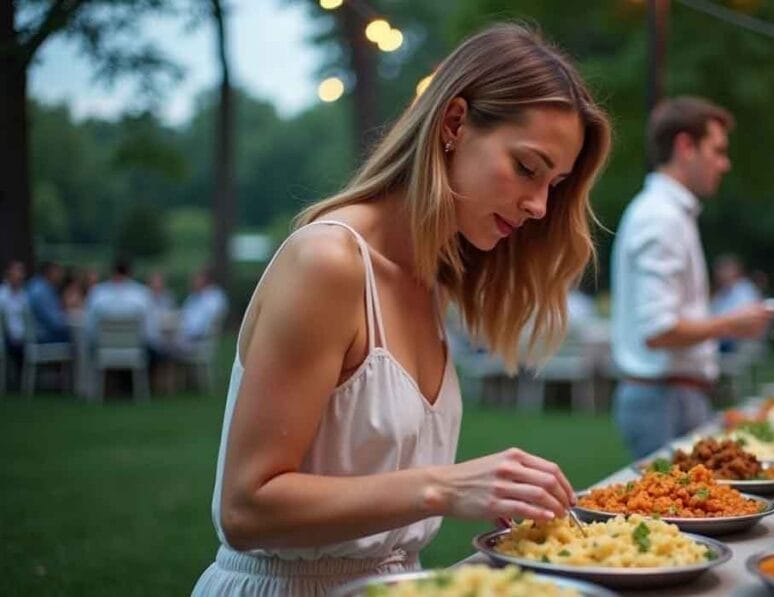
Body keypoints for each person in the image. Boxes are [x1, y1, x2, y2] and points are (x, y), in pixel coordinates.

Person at [192, 24, 611, 595]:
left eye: (554, 184)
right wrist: (443, 487)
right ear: (454, 124)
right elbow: (246, 508)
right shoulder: (328, 262)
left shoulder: (430, 276)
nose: (539, 206)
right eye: (527, 168)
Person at [609, 96, 774, 460]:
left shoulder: (668, 213)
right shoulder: (661, 217)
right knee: (673, 512)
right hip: (663, 398)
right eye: (717, 151)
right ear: (685, 146)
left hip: (668, 395)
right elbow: (659, 329)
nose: (724, 163)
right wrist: (733, 323)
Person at [83, 259, 152, 342]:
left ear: (111, 272)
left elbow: (89, 327)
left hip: (103, 347)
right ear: (131, 273)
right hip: (134, 347)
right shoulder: (142, 294)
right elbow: (149, 330)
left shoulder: (97, 293)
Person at [710, 253, 763, 353]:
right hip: (720, 336)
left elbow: (748, 318)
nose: (721, 273)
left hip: (736, 340)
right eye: (719, 270)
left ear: (736, 270)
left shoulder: (745, 290)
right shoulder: (720, 294)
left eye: (725, 269)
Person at [175, 268, 227, 351]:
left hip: (198, 339)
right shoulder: (193, 297)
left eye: (197, 279)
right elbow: (183, 315)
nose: (193, 282)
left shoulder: (214, 297)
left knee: (162, 347)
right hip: (185, 335)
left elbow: (207, 323)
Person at [25, 262, 71, 344]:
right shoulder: (41, 291)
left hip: (37, 334)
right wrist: (67, 319)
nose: (60, 276)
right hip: (42, 336)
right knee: (75, 337)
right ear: (50, 272)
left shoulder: (36, 285)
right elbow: (54, 322)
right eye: (58, 272)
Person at [0, 260, 28, 385]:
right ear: (8, 274)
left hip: (22, 336)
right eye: (16, 272)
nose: (19, 276)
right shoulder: (2, 296)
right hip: (7, 338)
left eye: (21, 272)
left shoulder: (23, 294)